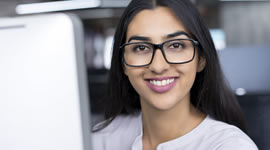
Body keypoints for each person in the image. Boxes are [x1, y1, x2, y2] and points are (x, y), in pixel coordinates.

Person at [92, 0, 258, 150]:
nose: (158, 66)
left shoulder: (230, 145)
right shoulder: (99, 140)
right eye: (141, 48)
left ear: (201, 59)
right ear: (123, 63)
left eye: (176, 45)